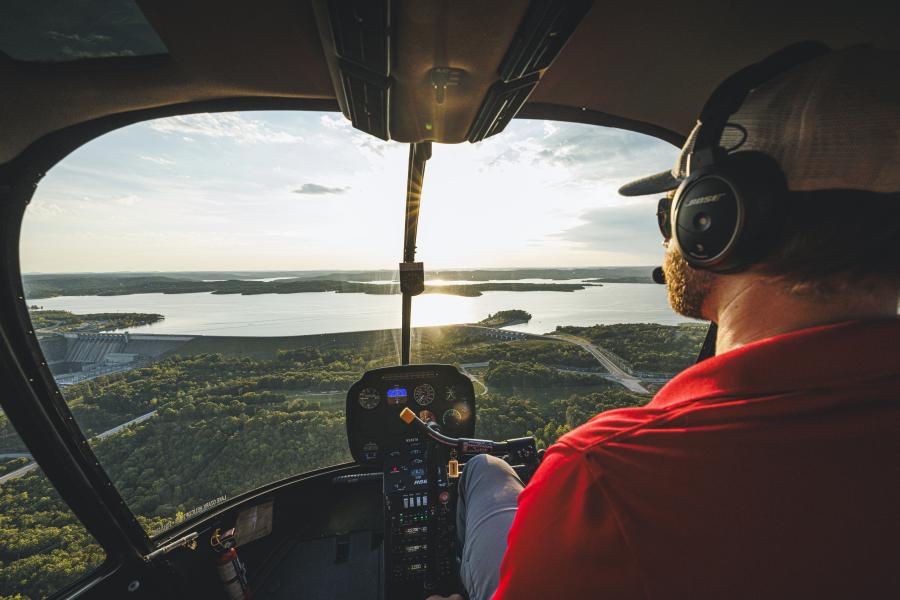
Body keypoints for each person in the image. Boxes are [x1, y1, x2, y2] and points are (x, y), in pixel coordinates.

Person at [428, 43, 900, 600]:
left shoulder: (608, 478)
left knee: (486, 474)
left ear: (713, 219)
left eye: (672, 210)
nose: (667, 236)